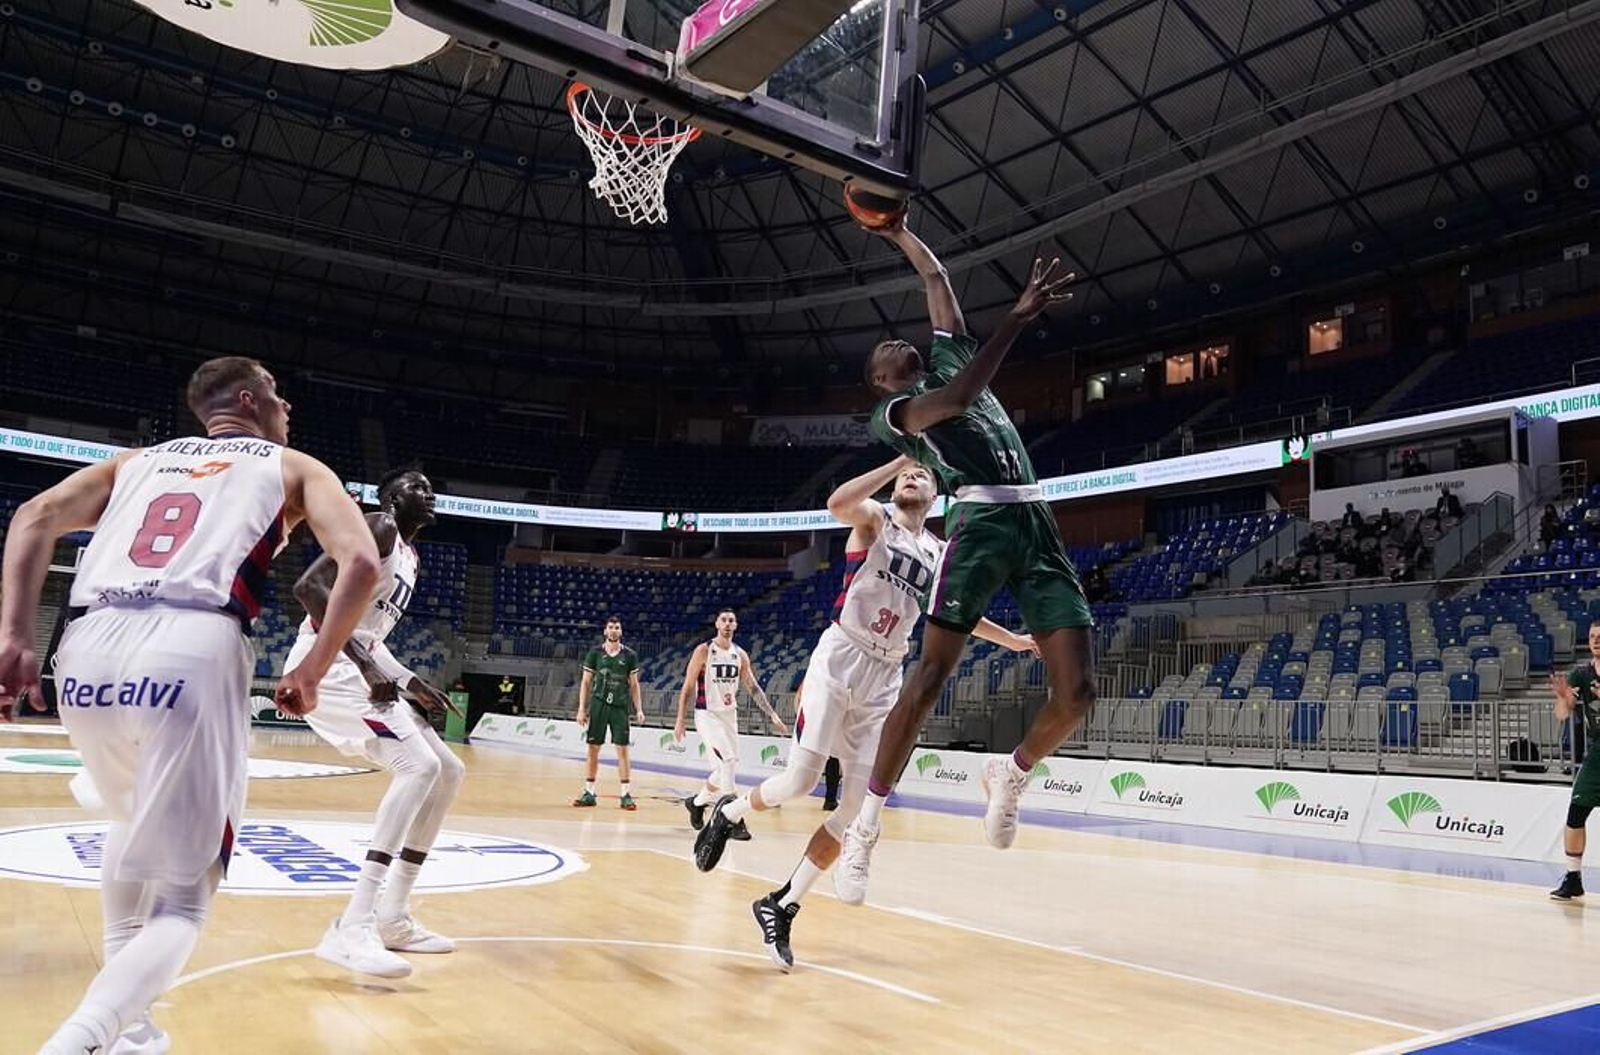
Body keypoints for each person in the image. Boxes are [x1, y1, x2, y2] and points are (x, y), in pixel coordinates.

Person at [1, 357, 380, 1055]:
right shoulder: (293, 465)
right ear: (247, 399)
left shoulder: (133, 463)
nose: (287, 403)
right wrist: (314, 665)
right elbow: (359, 562)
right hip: (190, 644)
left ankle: (134, 1027)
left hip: (84, 649)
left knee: (129, 813)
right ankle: (81, 1038)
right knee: (184, 897)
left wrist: (17, 636)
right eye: (276, 391)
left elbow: (33, 516)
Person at [689, 458, 1036, 970]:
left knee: (852, 808)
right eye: (905, 474)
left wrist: (1012, 641)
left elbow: (960, 615)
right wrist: (898, 457)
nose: (911, 477)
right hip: (840, 658)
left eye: (921, 474)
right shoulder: (875, 519)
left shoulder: (939, 554)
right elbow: (836, 504)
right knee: (800, 783)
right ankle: (729, 811)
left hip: (885, 676)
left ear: (936, 495)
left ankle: (782, 904)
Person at [833, 219, 1090, 907]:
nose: (891, 342)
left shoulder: (948, 352)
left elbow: (936, 280)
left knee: (1078, 695)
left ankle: (1011, 773)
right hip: (978, 523)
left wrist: (899, 233)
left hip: (1035, 518)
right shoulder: (895, 414)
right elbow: (962, 401)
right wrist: (1014, 319)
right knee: (929, 677)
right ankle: (864, 828)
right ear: (882, 383)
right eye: (879, 358)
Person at [285, 467, 467, 979]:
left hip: (354, 664)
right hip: (326, 666)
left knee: (448, 771)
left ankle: (392, 917)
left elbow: (369, 635)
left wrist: (410, 681)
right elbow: (310, 588)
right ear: (391, 498)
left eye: (431, 486)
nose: (429, 492)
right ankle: (353, 924)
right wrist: (365, 668)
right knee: (418, 766)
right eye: (417, 486)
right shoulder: (379, 525)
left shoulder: (410, 555)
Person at [674, 609, 787, 835]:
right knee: (727, 761)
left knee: (726, 767)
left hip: (729, 715)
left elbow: (753, 687)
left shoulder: (740, 654)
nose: (727, 624)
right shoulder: (704, 650)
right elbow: (687, 686)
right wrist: (680, 719)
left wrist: (772, 714)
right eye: (723, 620)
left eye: (731, 621)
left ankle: (696, 804)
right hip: (707, 713)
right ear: (717, 623)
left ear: (735, 626)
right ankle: (732, 819)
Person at [573, 616, 646, 810]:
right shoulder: (595, 653)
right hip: (598, 704)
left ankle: (625, 794)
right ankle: (589, 792)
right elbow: (586, 682)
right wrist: (581, 708)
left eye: (617, 627)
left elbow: (634, 685)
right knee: (593, 748)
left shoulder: (629, 655)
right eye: (611, 627)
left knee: (622, 750)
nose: (614, 630)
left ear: (621, 632)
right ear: (605, 631)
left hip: (620, 707)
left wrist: (639, 709)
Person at [1550, 625, 1600, 901]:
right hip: (1598, 754)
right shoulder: (1581, 674)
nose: (1596, 641)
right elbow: (1561, 714)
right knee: (1576, 813)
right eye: (1592, 637)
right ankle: (1573, 878)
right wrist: (1563, 699)